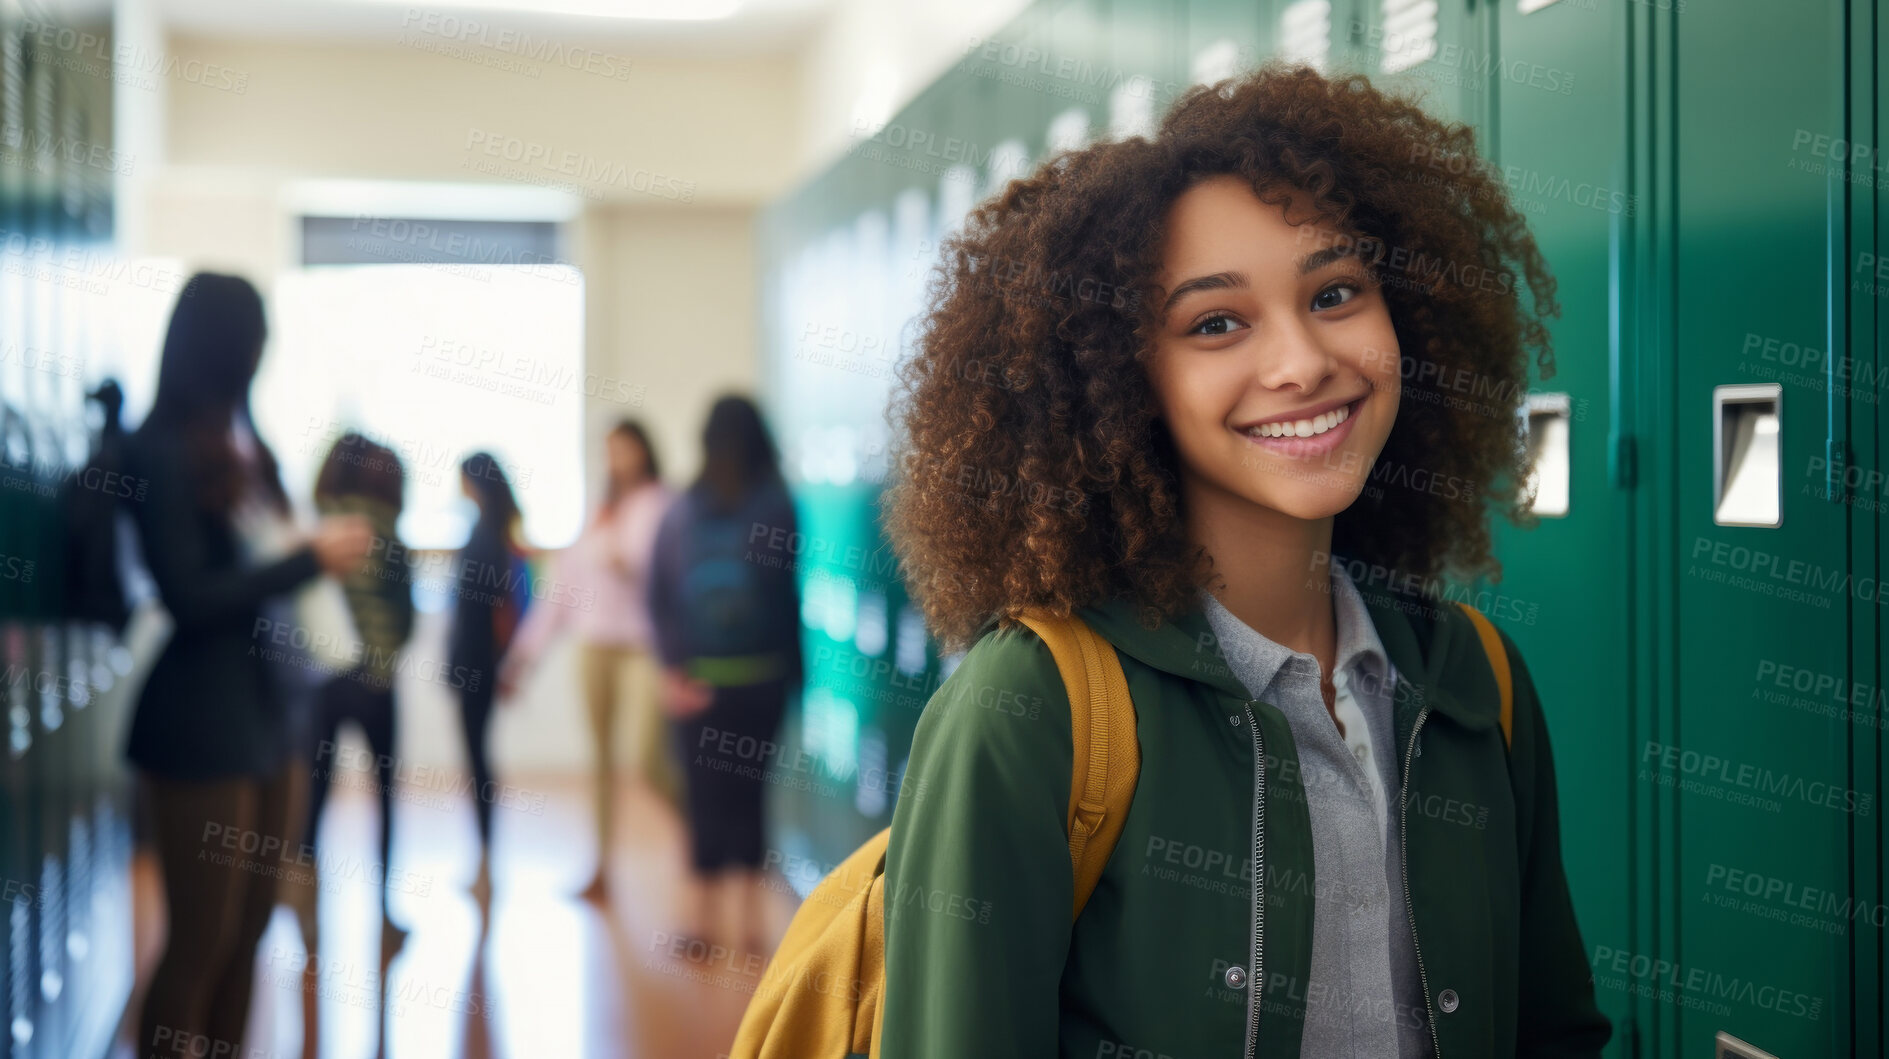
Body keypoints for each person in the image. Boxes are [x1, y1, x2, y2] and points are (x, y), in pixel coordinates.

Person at [877, 65, 1611, 1057]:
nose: (1301, 362)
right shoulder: (1029, 712)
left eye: (1335, 293)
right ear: (1119, 380)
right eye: (1214, 323)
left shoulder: (1474, 681)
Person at [126, 272, 372, 1059]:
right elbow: (189, 596)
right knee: (202, 937)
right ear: (228, 343)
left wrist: (304, 555)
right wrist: (306, 562)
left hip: (271, 713)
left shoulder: (245, 441)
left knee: (251, 932)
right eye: (256, 333)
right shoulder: (158, 450)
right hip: (200, 717)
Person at [647, 396, 803, 953]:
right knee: (752, 797)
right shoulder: (778, 504)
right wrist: (795, 680)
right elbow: (788, 601)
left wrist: (672, 671)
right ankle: (753, 926)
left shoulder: (682, 509)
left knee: (704, 800)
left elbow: (660, 596)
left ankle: (701, 925)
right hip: (762, 678)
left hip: (700, 681)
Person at [500, 419, 679, 903]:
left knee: (645, 757)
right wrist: (522, 658)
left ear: (643, 451)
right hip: (594, 646)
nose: (617, 460)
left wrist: (622, 558)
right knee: (599, 761)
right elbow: (561, 593)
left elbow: (657, 570)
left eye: (625, 449)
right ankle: (601, 869)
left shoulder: (663, 504)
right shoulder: (600, 512)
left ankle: (700, 835)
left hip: (642, 649)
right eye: (610, 450)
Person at [300, 431, 416, 952]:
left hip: (323, 684)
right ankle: (386, 914)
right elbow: (404, 617)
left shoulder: (318, 520)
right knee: (385, 796)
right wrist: (380, 660)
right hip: (376, 684)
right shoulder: (387, 530)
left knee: (315, 797)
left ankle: (305, 915)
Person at [449, 451, 530, 905]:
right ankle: (484, 860)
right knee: (480, 759)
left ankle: (484, 861)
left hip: (474, 666)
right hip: (485, 664)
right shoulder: (498, 534)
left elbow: (475, 615)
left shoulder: (482, 536)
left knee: (477, 761)